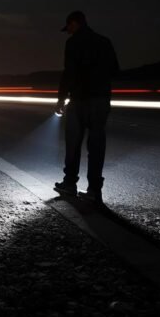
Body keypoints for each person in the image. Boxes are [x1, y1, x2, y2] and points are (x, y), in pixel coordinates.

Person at [53, 11, 119, 205]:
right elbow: (115, 69)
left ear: (75, 23)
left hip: (80, 100)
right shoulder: (104, 42)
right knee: (96, 147)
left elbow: (68, 73)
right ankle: (94, 190)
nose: (68, 32)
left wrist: (60, 99)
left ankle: (70, 184)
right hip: (100, 100)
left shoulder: (73, 44)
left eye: (69, 27)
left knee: (73, 144)